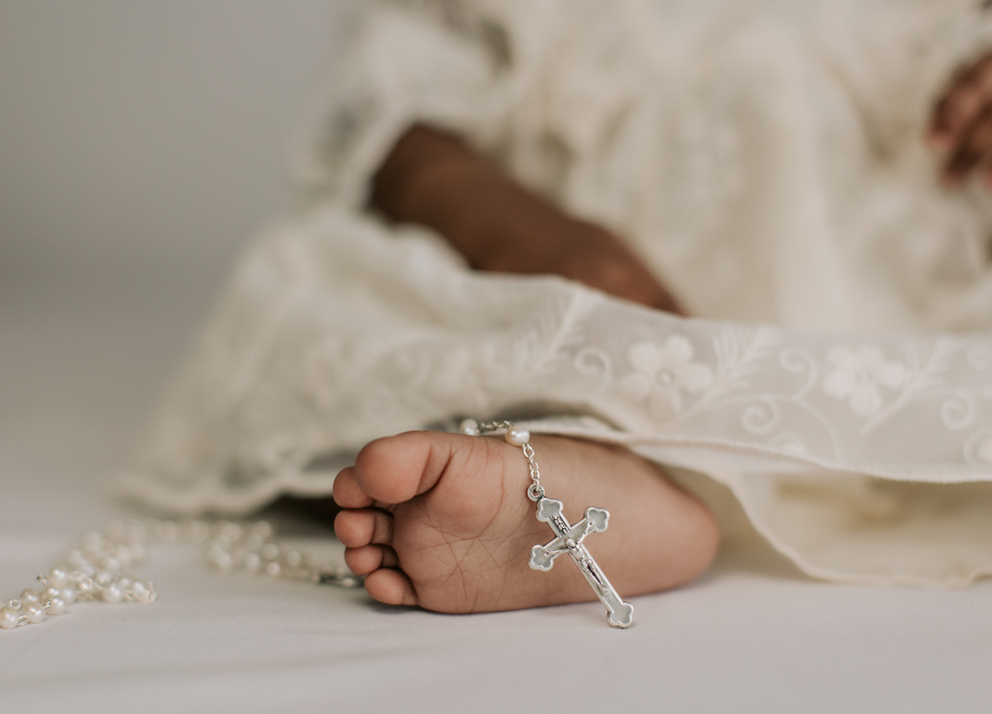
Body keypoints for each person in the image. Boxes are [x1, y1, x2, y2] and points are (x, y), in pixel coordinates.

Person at [118, 0, 992, 615]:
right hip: (570, 282)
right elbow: (399, 110)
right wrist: (504, 225)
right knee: (312, 296)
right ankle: (605, 486)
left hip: (886, 287)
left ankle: (625, 477)